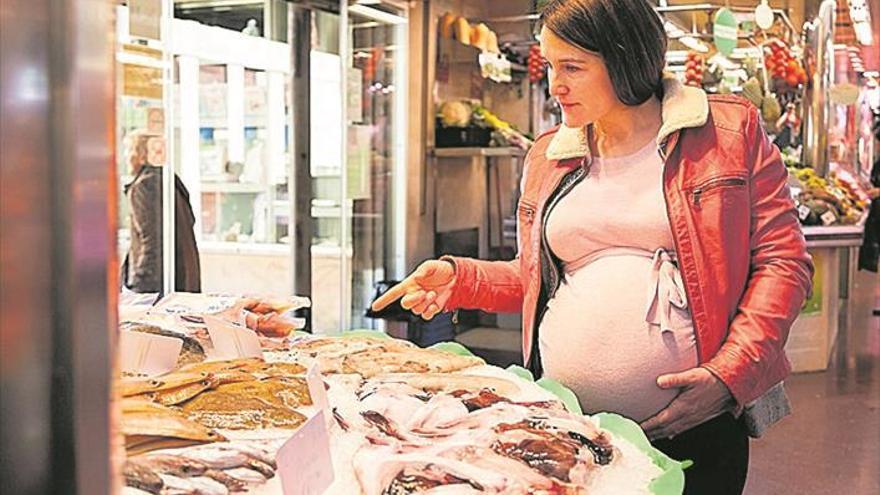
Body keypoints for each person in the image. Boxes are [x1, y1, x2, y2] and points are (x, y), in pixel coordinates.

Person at [372, 1, 813, 493]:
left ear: (626, 58)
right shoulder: (550, 154)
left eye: (572, 68)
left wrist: (730, 376)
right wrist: (461, 280)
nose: (554, 84)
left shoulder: (727, 133)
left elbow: (783, 264)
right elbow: (537, 278)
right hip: (569, 426)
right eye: (552, 65)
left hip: (695, 427)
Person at [123, 130, 201, 294]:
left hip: (157, 288)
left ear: (139, 154)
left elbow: (152, 240)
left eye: (129, 149)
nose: (126, 156)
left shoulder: (144, 187)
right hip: (181, 279)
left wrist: (140, 286)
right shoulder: (169, 182)